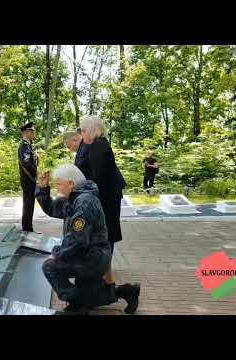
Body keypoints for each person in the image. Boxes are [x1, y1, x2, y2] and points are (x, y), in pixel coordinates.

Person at [36, 164, 139, 313]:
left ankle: (77, 304)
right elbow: (54, 209)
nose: (57, 188)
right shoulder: (76, 196)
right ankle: (128, 292)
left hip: (91, 258)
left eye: (59, 184)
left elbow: (77, 239)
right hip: (91, 255)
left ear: (71, 184)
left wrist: (56, 254)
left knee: (50, 267)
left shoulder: (84, 202)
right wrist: (43, 189)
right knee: (92, 296)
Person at [80, 116, 139, 312]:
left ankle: (123, 292)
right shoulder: (97, 146)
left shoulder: (99, 149)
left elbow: (97, 183)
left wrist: (81, 196)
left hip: (105, 206)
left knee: (103, 245)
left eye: (83, 131)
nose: (82, 135)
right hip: (105, 204)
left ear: (93, 130)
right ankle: (114, 289)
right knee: (103, 247)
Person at [18, 121, 39, 233]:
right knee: (28, 204)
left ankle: (28, 227)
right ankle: (27, 229)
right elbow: (26, 162)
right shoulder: (24, 146)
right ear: (27, 132)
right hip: (28, 179)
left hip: (28, 179)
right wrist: (35, 171)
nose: (34, 133)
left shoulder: (28, 146)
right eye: (32, 131)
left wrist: (35, 158)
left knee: (29, 204)